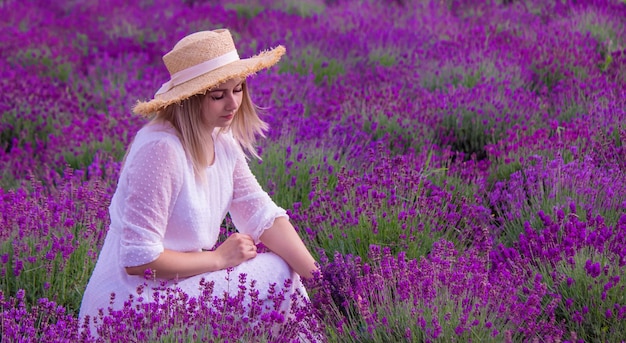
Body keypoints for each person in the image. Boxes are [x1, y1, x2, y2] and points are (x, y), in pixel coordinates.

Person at [79, 29, 320, 339]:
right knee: (277, 272)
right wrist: (219, 259)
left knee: (287, 266)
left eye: (238, 89)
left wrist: (319, 279)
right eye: (217, 95)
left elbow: (261, 213)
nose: (232, 104)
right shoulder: (161, 149)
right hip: (129, 306)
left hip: (178, 287)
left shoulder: (221, 139)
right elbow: (139, 260)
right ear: (188, 100)